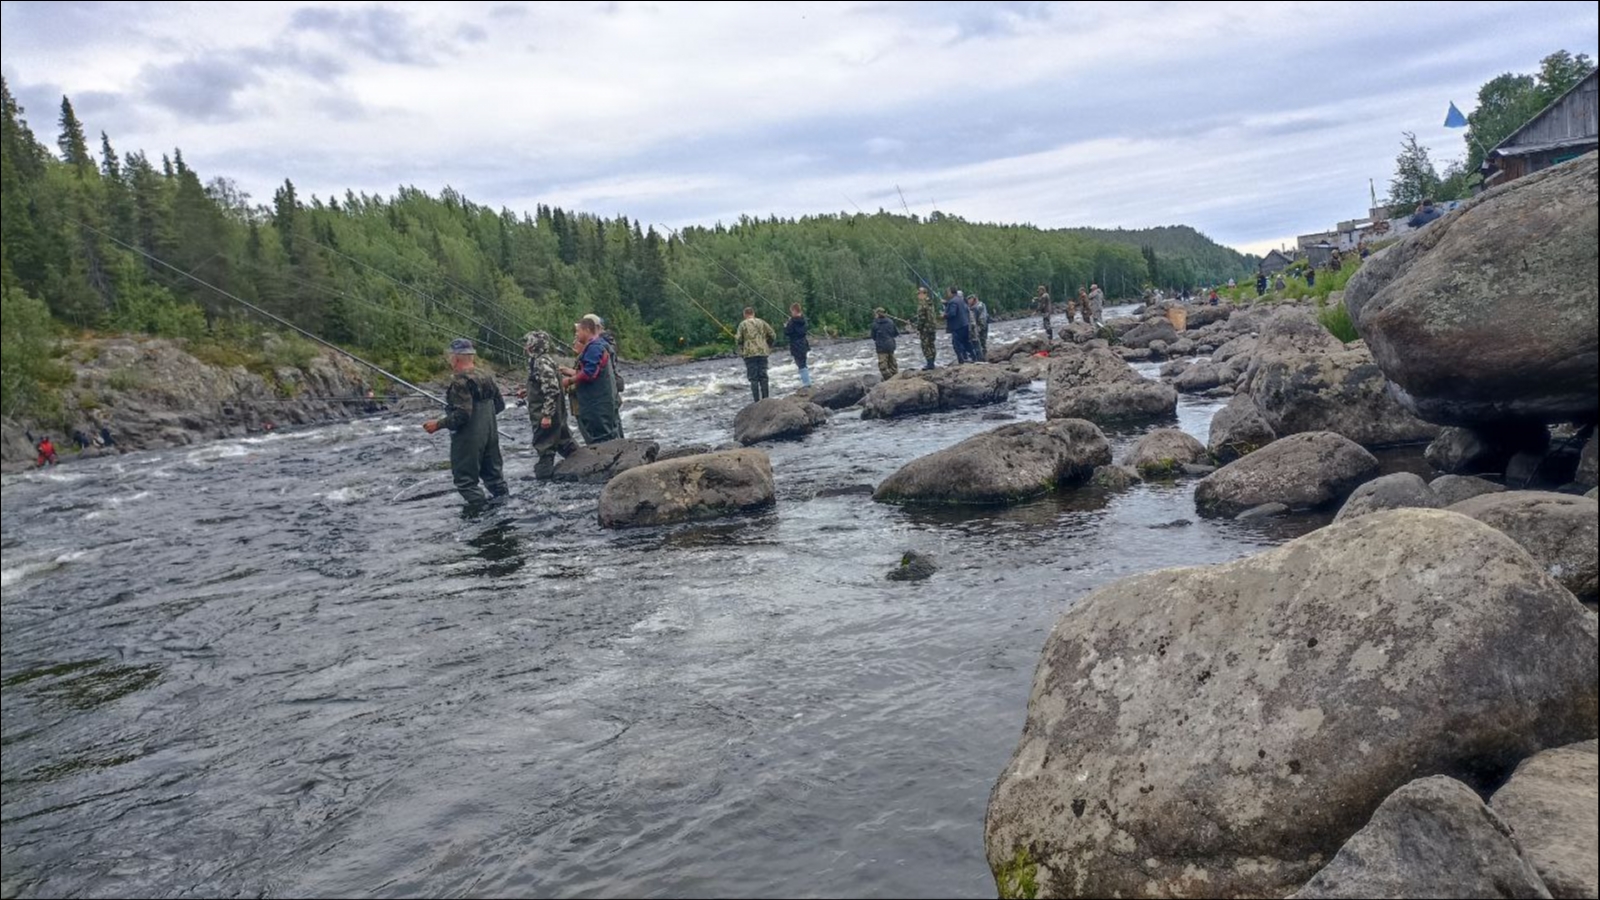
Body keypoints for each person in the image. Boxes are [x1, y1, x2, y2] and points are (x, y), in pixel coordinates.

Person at [422, 339, 508, 506]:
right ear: (472, 357)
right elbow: (500, 405)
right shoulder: (486, 376)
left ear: (455, 358)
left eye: (450, 356)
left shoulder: (459, 382)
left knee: (466, 483)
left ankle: (482, 516)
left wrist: (437, 425)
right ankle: (505, 511)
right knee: (495, 479)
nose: (449, 360)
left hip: (469, 438)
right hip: (490, 435)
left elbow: (462, 416)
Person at [522, 330, 580, 479]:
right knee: (565, 443)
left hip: (546, 413)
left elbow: (552, 389)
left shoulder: (541, 362)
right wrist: (526, 391)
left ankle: (543, 481)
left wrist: (547, 415)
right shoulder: (543, 360)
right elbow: (547, 384)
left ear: (533, 345)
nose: (525, 346)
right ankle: (584, 467)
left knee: (545, 447)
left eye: (527, 342)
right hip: (555, 412)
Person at [564, 317, 625, 443]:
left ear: (587, 330)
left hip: (597, 405)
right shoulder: (598, 346)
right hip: (600, 403)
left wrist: (569, 381)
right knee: (608, 436)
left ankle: (611, 462)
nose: (576, 334)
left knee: (602, 439)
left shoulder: (594, 348)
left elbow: (589, 374)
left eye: (578, 331)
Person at [734, 306, 777, 402]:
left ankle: (756, 401)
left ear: (745, 315)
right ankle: (766, 399)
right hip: (763, 352)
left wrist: (740, 345)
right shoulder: (761, 322)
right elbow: (773, 335)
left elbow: (738, 339)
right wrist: (768, 345)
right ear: (753, 313)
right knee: (763, 376)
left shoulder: (743, 324)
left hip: (749, 354)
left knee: (753, 378)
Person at [783, 303, 812, 388]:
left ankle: (806, 383)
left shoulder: (792, 322)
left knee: (800, 364)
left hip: (796, 345)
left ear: (795, 311)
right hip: (804, 344)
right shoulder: (804, 320)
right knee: (803, 363)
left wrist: (786, 325)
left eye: (791, 311)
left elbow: (787, 332)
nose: (791, 313)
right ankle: (807, 381)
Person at [944, 287, 973, 363]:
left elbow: (952, 313)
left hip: (957, 326)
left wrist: (944, 315)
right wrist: (947, 304)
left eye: (948, 292)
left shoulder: (953, 301)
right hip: (965, 324)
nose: (947, 294)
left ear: (951, 292)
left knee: (957, 344)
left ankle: (962, 360)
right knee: (966, 343)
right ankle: (972, 357)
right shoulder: (960, 299)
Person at [914, 285, 939, 370]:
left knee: (925, 346)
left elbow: (922, 318)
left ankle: (930, 364)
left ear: (923, 294)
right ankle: (932, 362)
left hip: (925, 329)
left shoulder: (922, 304)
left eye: (919, 294)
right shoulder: (930, 303)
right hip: (932, 328)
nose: (918, 296)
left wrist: (918, 328)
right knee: (932, 345)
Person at [871, 307, 900, 380]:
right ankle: (895, 378)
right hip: (891, 345)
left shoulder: (875, 324)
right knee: (893, 364)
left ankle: (889, 379)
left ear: (877, 314)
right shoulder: (891, 322)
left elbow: (873, 337)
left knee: (883, 367)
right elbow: (896, 333)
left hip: (881, 347)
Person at [967, 292, 990, 358]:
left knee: (982, 342)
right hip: (975, 328)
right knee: (976, 343)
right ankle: (979, 356)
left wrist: (980, 327)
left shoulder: (980, 306)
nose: (968, 301)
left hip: (981, 327)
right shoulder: (971, 307)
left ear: (974, 299)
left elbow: (983, 318)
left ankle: (983, 357)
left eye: (970, 299)